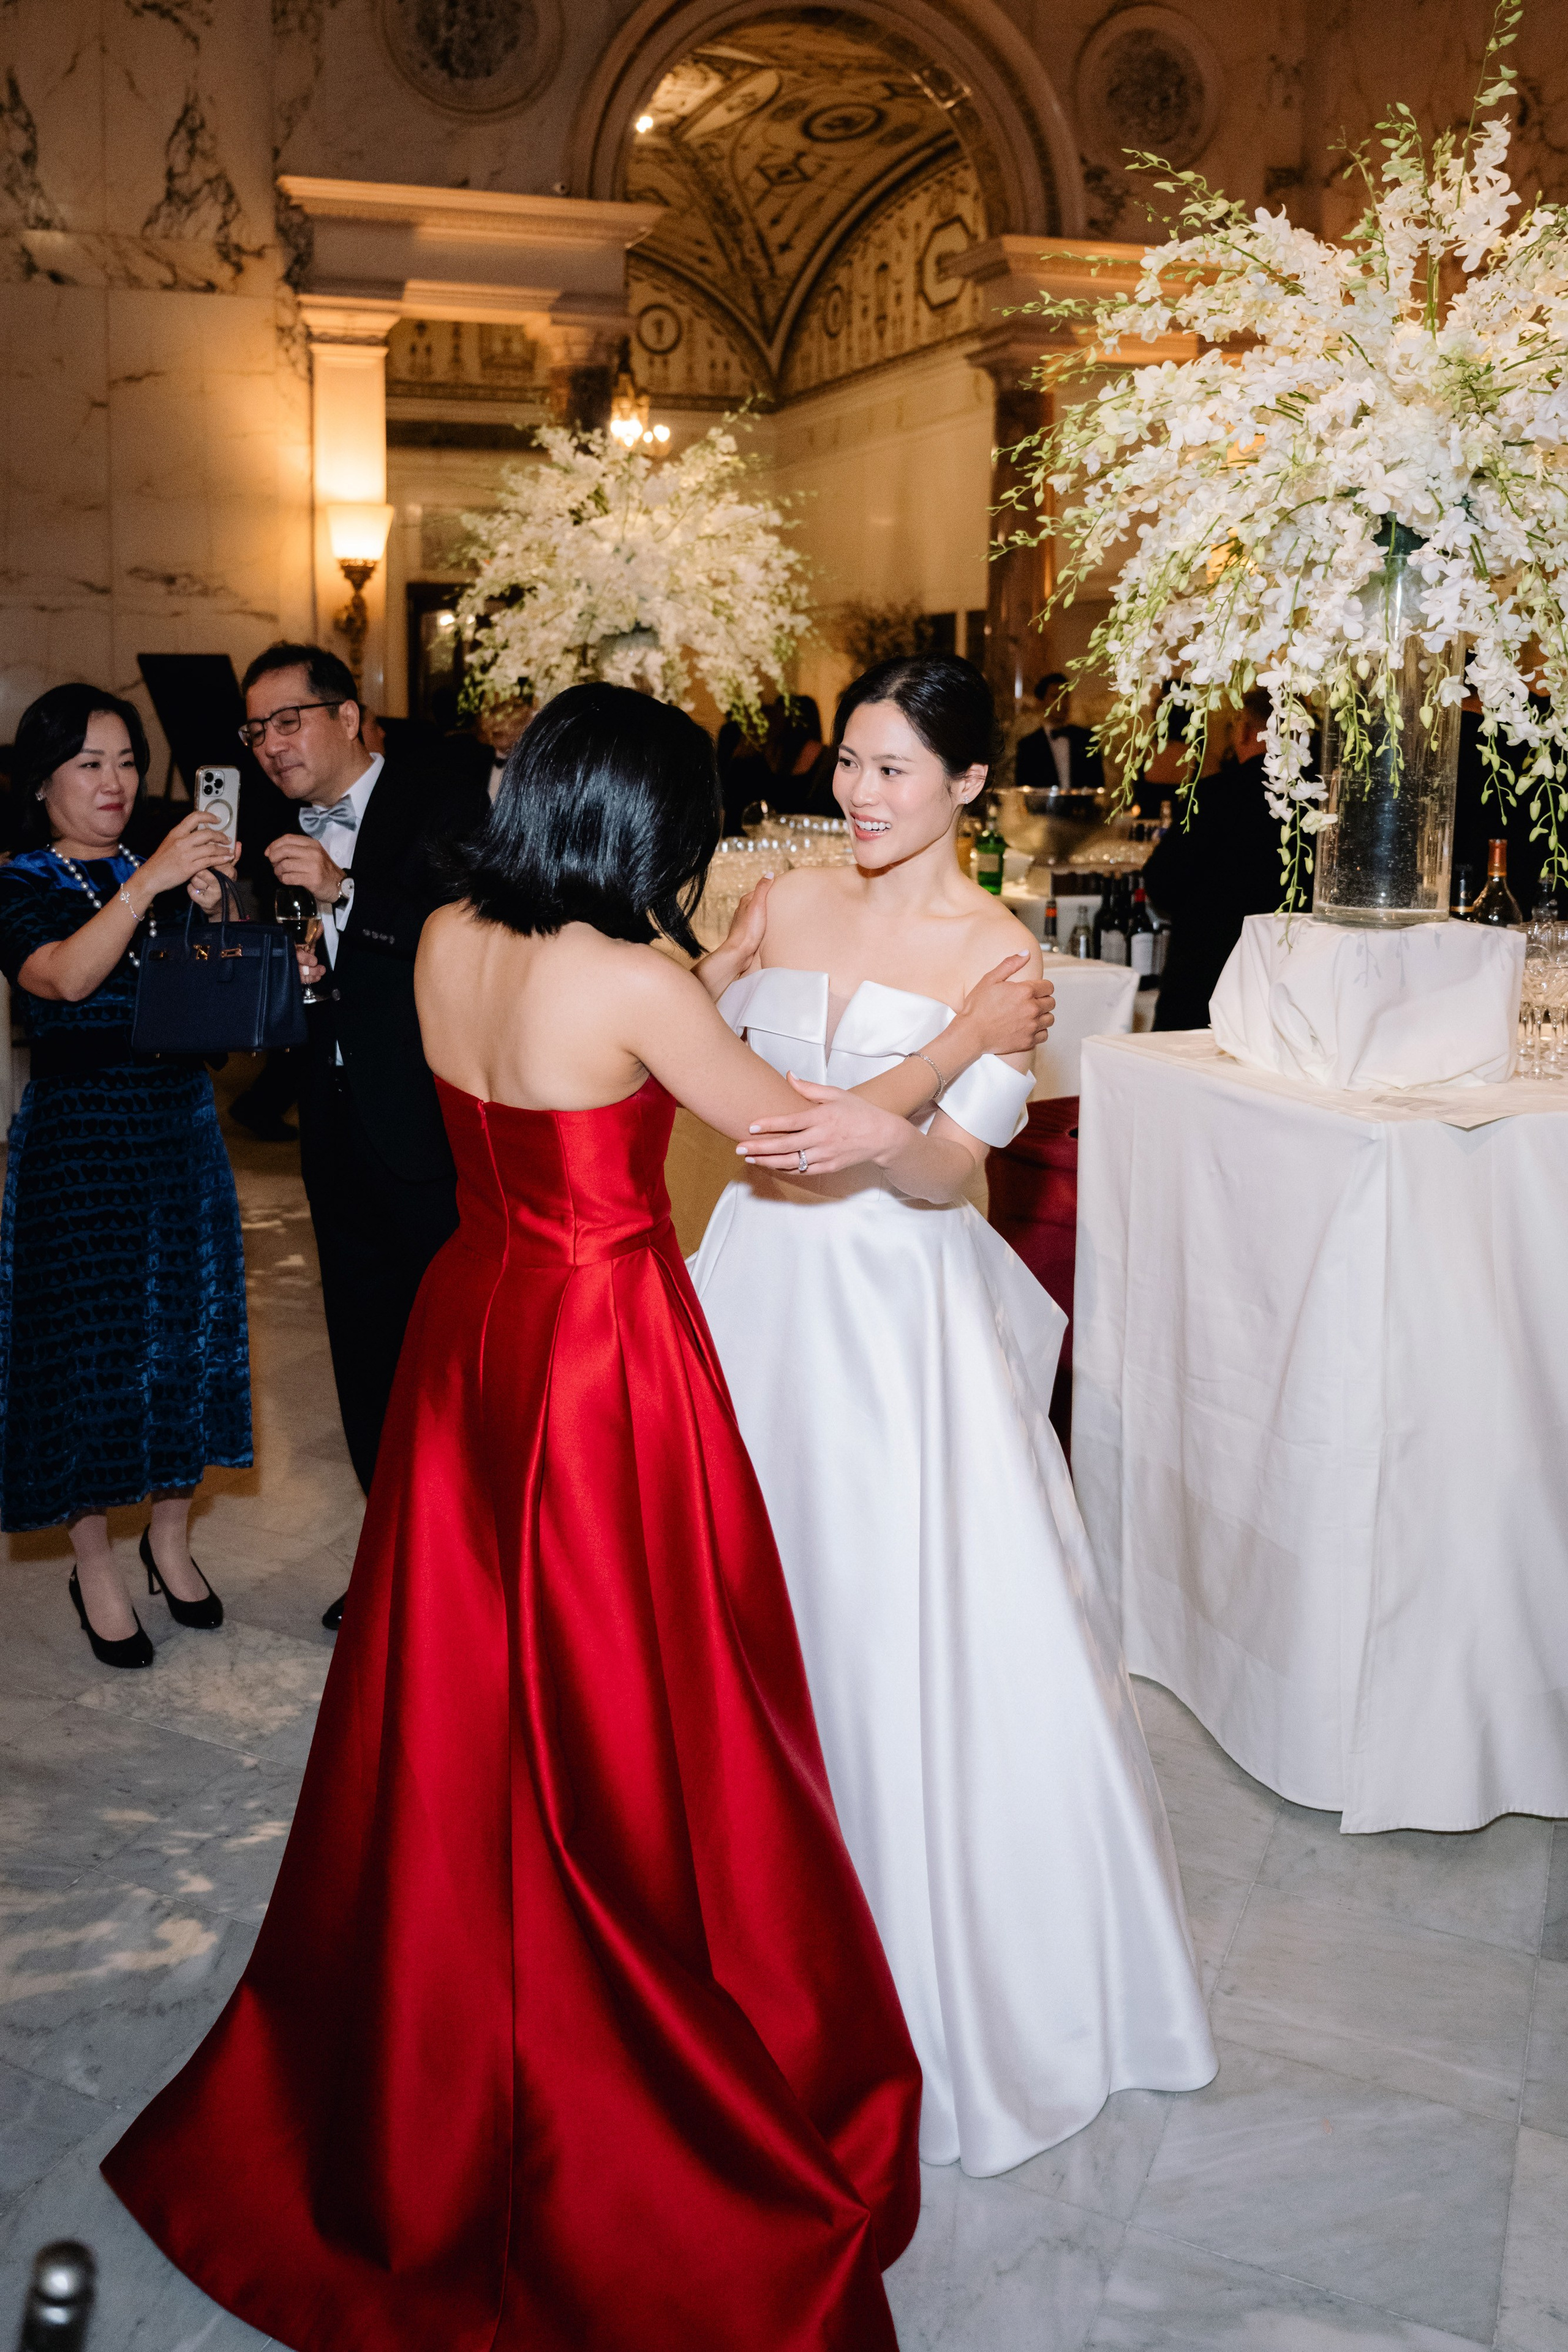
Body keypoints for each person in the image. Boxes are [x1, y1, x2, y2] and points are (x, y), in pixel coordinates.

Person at [101, 682, 1055, 2351]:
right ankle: (598, 1991)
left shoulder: (461, 927)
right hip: (601, 1349)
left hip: (473, 1322)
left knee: (460, 1694)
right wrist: (976, 1034)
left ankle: (452, 1984)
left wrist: (741, 965)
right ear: (648, 830)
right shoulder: (633, 977)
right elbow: (797, 1137)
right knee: (631, 1696)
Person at [687, 654, 1218, 2176]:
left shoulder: (999, 954)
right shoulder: (781, 902)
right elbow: (704, 1086)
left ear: (969, 786)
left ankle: (912, 1972)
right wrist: (718, 993)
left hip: (889, 1321)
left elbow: (951, 1176)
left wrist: (888, 1124)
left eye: (892, 769)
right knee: (732, 1608)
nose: (856, 794)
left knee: (886, 1628)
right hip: (752, 1288)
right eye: (846, 762)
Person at [0, 685, 251, 1665]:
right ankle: (94, 1558)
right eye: (90, 764)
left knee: (188, 1341)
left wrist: (222, 910)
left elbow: (234, 1009)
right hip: (79, 1141)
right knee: (89, 1355)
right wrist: (145, 887)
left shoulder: (165, 872)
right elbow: (62, 977)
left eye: (128, 762)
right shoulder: (22, 877)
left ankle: (172, 1537)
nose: (115, 783)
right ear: (46, 780)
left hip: (181, 1129)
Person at [243, 641, 491, 1629]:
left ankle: (471, 1570)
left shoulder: (443, 800)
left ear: (349, 716)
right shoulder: (263, 824)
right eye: (255, 730)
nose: (272, 746)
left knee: (451, 1361)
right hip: (333, 1122)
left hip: (429, 1121)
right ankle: (394, 1565)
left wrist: (346, 892)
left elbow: (468, 932)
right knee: (362, 1355)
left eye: (289, 720)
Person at [1143, 687, 1287, 1030]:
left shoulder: (1213, 795)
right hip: (1285, 983)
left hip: (1208, 979)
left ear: (1246, 731)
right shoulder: (1319, 800)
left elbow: (1162, 882)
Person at [1014, 671, 1104, 796]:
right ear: (1041, 702)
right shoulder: (1028, 746)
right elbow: (1025, 791)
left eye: (1066, 696)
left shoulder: (1087, 739)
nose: (1062, 702)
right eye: (1055, 696)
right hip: (1042, 814)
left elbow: (1097, 787)